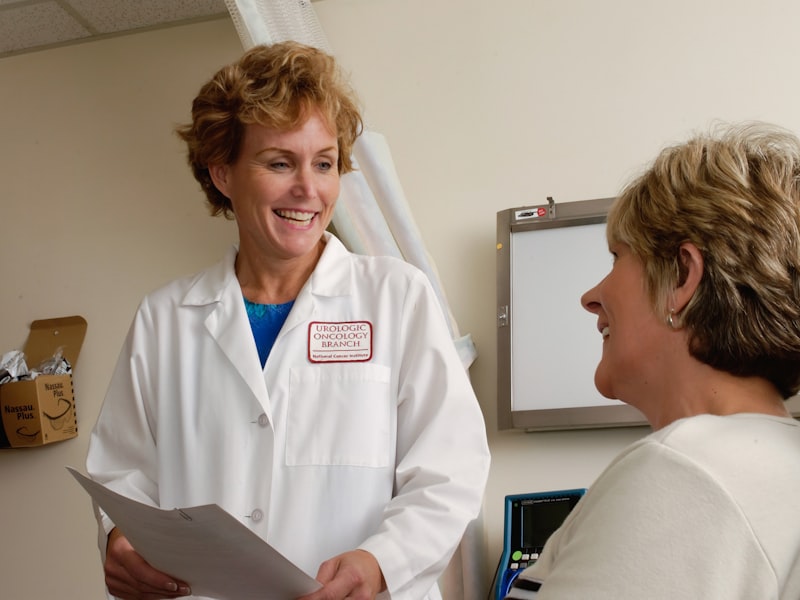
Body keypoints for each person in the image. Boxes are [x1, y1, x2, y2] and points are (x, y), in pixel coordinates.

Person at [86, 41, 490, 600]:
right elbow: (122, 472)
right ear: (222, 173)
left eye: (324, 163)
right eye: (280, 163)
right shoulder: (164, 319)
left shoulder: (397, 298)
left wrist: (381, 562)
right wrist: (119, 539)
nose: (308, 188)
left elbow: (450, 470)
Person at [505, 122, 800, 599]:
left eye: (617, 257)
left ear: (682, 277)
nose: (590, 297)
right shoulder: (775, 462)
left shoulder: (684, 475)